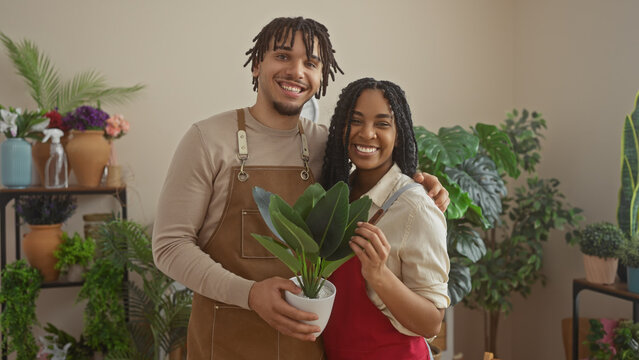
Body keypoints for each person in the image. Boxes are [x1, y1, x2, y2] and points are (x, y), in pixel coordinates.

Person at [152, 17, 449, 360]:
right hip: (226, 342)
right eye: (282, 56)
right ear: (256, 64)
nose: (296, 71)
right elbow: (169, 247)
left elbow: (379, 171)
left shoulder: (326, 145)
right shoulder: (208, 140)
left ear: (321, 77)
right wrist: (249, 294)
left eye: (310, 63)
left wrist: (421, 181)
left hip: (306, 349)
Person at [320, 78, 450, 360]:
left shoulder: (416, 208)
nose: (367, 133)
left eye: (382, 124)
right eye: (355, 121)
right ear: (342, 127)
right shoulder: (334, 197)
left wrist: (378, 275)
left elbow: (431, 322)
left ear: (399, 134)